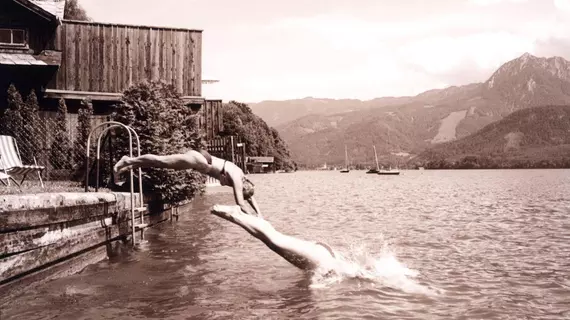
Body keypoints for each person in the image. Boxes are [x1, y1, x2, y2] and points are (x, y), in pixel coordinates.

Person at [113, 150, 261, 216]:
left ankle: (131, 164)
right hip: (199, 160)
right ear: (243, 185)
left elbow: (249, 197)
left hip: (199, 161)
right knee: (161, 160)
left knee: (160, 163)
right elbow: (241, 203)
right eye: (242, 189)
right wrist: (255, 220)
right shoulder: (236, 177)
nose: (240, 189)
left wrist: (260, 214)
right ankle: (128, 160)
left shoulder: (242, 176)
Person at [210, 204, 339, 273]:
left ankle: (236, 217)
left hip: (316, 259)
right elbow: (348, 272)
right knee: (276, 240)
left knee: (272, 243)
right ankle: (236, 213)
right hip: (320, 257)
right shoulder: (347, 270)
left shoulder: (342, 269)